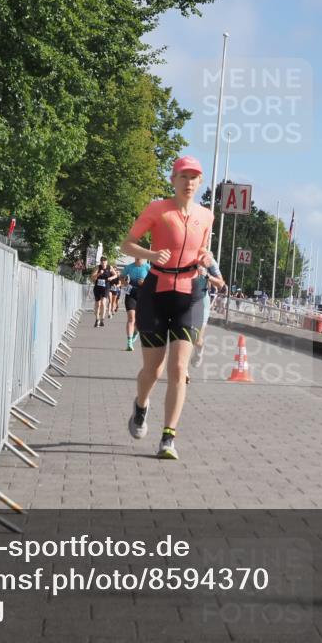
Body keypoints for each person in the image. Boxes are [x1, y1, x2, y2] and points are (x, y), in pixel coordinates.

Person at [120, 155, 214, 460]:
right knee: (154, 369)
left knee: (178, 368)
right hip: (156, 293)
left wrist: (206, 259)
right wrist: (150, 254)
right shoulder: (157, 209)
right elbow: (126, 245)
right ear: (173, 180)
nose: (188, 182)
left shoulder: (206, 215)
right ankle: (141, 406)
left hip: (190, 293)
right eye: (183, 176)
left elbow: (203, 249)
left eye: (194, 177)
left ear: (200, 182)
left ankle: (168, 437)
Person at [189, 257, 227, 379]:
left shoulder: (209, 260)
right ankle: (184, 372)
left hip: (201, 301)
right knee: (185, 337)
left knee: (197, 339)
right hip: (184, 299)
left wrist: (207, 275)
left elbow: (221, 284)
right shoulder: (185, 255)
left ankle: (199, 350)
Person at [121, 257, 151, 351]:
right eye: (136, 256)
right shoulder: (129, 267)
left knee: (139, 320)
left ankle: (135, 332)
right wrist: (124, 282)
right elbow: (121, 277)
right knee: (131, 318)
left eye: (140, 256)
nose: (138, 258)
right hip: (131, 294)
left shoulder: (147, 267)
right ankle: (129, 342)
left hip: (143, 295)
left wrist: (145, 282)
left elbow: (154, 281)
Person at [90, 256, 116, 327]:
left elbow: (115, 275)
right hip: (98, 287)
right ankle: (97, 319)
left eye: (104, 262)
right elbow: (92, 277)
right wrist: (99, 274)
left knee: (103, 303)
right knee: (98, 304)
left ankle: (102, 319)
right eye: (102, 262)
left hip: (106, 287)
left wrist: (111, 277)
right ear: (101, 262)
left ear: (107, 262)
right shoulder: (97, 267)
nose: (103, 264)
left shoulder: (110, 267)